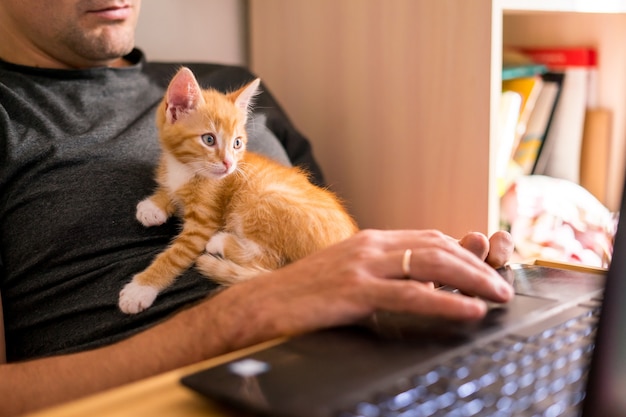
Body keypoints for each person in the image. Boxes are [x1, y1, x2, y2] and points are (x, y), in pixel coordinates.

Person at [0, 1, 515, 415]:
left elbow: (326, 240)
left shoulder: (227, 84)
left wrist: (411, 275)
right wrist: (232, 319)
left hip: (355, 350)